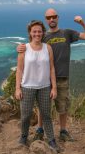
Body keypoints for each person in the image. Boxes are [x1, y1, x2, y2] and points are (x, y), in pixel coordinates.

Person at [17, 8, 85, 142]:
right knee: (43, 106)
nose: (51, 19)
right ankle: (40, 130)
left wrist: (82, 23)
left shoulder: (67, 33)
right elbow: (31, 46)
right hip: (44, 78)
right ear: (46, 20)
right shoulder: (43, 35)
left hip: (62, 77)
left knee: (62, 106)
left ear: (58, 17)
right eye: (48, 17)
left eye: (54, 16)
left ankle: (63, 131)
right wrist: (20, 48)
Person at [15, 20, 60, 152]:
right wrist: (17, 88)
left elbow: (52, 68)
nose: (37, 33)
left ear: (43, 32)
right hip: (27, 86)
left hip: (45, 86)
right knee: (25, 115)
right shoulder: (24, 48)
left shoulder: (48, 48)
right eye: (34, 31)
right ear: (30, 32)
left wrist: (54, 87)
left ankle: (51, 140)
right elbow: (19, 70)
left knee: (46, 115)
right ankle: (23, 136)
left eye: (39, 31)